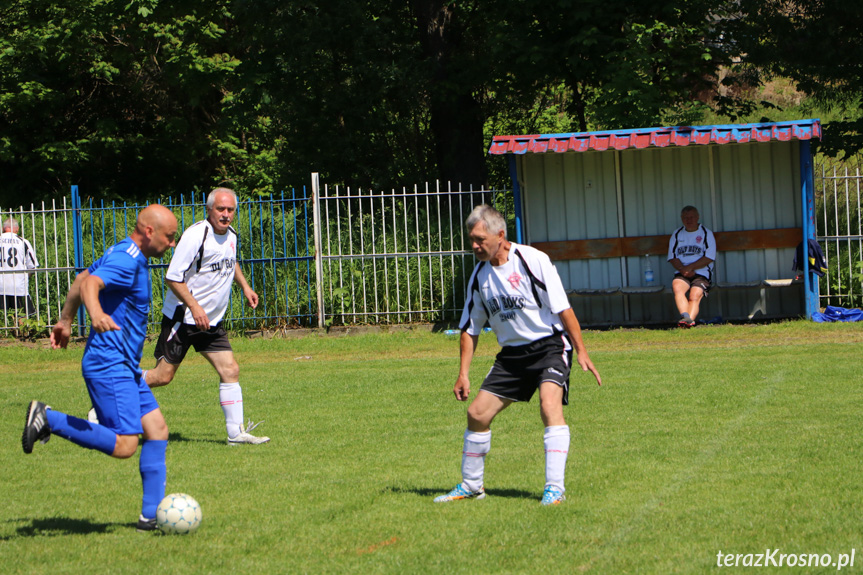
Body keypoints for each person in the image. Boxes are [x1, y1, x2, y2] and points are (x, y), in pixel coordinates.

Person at [23, 204, 178, 532]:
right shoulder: (127, 259)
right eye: (169, 236)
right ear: (149, 231)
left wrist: (65, 320)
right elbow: (91, 286)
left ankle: (151, 516)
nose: (172, 243)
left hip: (124, 364)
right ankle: (47, 417)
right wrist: (93, 313)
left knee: (157, 430)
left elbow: (83, 277)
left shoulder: (123, 250)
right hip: (109, 364)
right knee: (125, 445)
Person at [434, 204, 602, 506]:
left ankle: (555, 489)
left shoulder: (533, 260)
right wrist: (463, 373)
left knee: (549, 407)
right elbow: (470, 329)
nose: (474, 245)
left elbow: (563, 309)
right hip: (512, 356)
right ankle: (472, 486)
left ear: (500, 235)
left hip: (549, 347)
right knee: (477, 414)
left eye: (479, 239)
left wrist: (581, 351)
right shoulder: (479, 276)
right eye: (471, 239)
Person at [144, 187, 269, 445]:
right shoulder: (195, 235)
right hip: (183, 319)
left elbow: (230, 260)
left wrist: (245, 287)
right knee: (162, 377)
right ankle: (112, 391)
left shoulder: (231, 234)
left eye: (230, 210)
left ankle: (236, 434)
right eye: (220, 209)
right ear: (209, 209)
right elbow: (172, 277)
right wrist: (195, 307)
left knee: (230, 369)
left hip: (210, 323)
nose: (225, 215)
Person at [667, 205, 716, 328]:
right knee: (677, 287)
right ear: (681, 219)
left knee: (694, 295)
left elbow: (709, 257)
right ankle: (686, 317)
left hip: (702, 273)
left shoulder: (706, 233)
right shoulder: (677, 234)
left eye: (691, 217)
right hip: (682, 272)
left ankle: (687, 322)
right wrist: (683, 270)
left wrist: (690, 268)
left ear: (698, 217)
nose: (689, 220)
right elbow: (672, 257)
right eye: (685, 218)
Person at [0, 217, 39, 317]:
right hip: (18, 285)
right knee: (21, 314)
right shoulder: (23, 242)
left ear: (3, 229)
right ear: (17, 229)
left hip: (0, 284)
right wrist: (26, 277)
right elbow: (33, 266)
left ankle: (4, 332)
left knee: (2, 317)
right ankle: (21, 331)